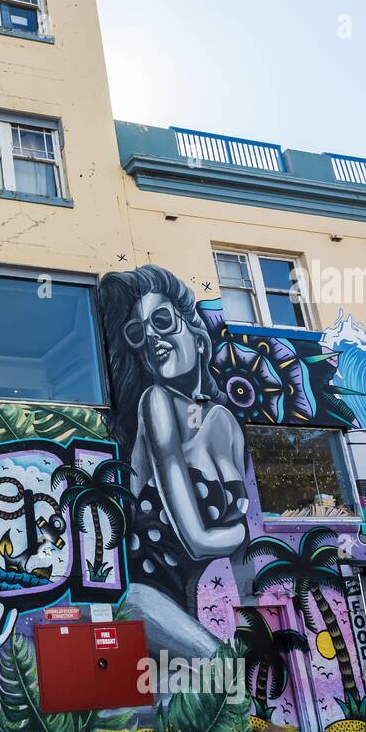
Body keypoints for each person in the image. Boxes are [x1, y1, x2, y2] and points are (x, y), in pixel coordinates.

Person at [97, 265, 248, 661]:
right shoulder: (156, 402)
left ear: (199, 337)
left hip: (188, 603)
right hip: (145, 595)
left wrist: (236, 535)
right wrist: (237, 534)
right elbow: (197, 540)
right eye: (139, 333)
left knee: (183, 704)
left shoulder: (225, 421)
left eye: (161, 321)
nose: (151, 339)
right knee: (224, 668)